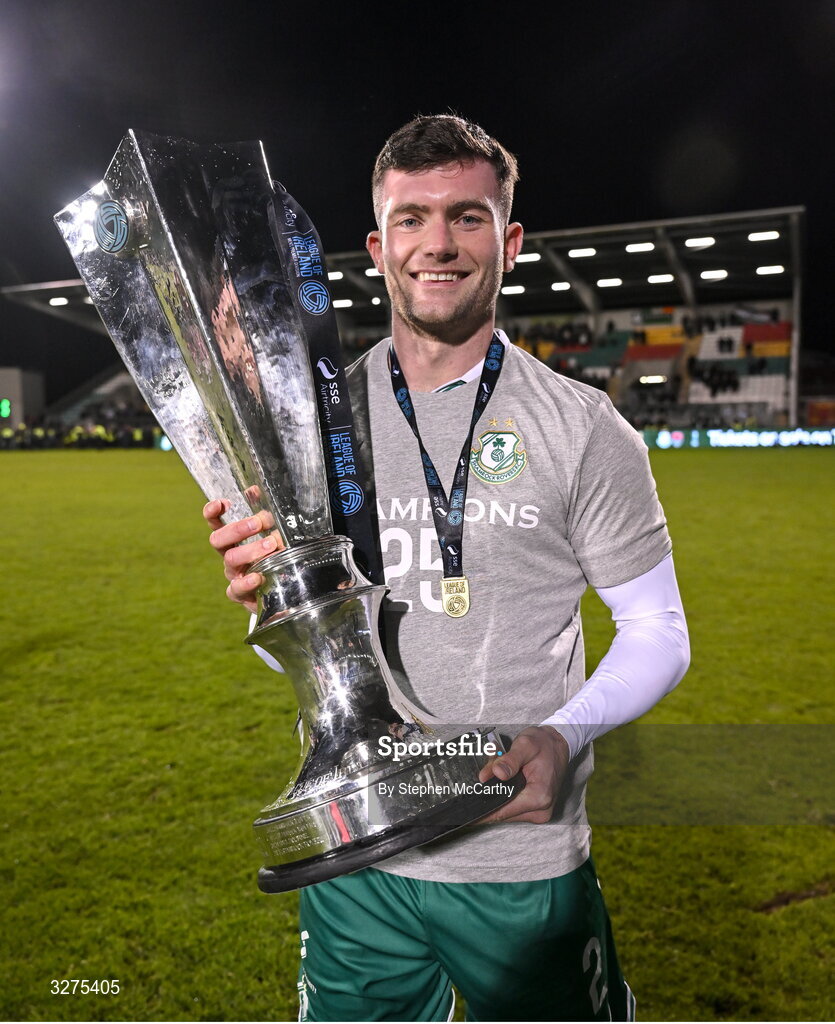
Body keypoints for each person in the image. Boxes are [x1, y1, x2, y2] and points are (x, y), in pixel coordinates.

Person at [204, 115, 690, 1022]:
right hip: (356, 854)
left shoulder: (582, 427)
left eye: (466, 218)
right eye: (411, 219)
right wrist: (268, 602)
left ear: (507, 242)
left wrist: (562, 735)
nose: (437, 244)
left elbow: (658, 631)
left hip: (515, 853)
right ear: (376, 245)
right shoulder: (312, 426)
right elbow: (301, 657)